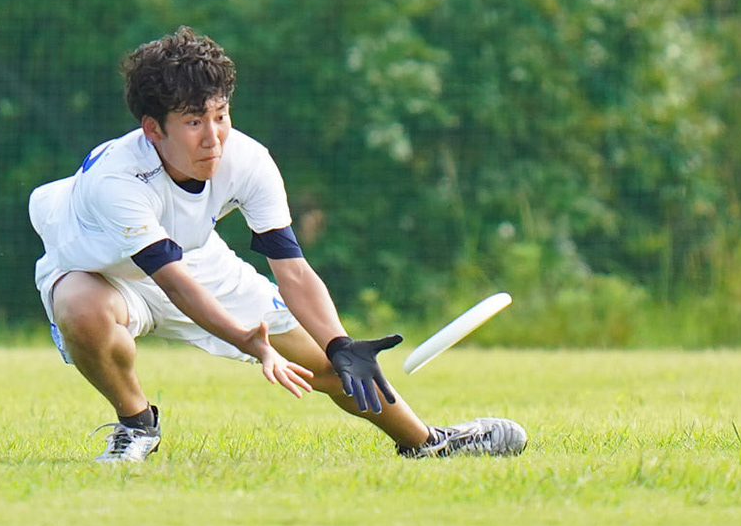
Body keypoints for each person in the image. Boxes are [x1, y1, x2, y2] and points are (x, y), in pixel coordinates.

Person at [30, 26, 526, 463]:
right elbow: (174, 285)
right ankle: (137, 425)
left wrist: (340, 343)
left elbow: (292, 268)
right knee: (81, 308)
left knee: (329, 367)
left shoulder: (248, 160)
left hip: (192, 259)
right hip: (100, 270)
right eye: (194, 122)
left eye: (220, 115)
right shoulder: (118, 180)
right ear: (153, 129)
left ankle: (427, 443)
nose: (213, 138)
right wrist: (248, 340)